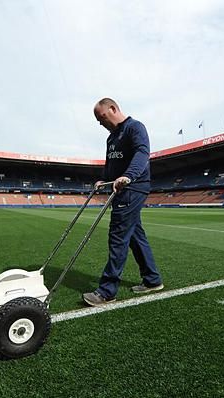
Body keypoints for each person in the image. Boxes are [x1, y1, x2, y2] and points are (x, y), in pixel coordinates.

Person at [82, 98, 163, 307]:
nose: (101, 123)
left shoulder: (135, 128)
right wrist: (104, 179)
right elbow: (111, 164)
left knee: (117, 235)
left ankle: (107, 291)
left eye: (102, 117)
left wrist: (128, 176)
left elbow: (142, 153)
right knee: (135, 235)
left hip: (133, 187)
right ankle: (152, 280)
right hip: (120, 188)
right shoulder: (111, 138)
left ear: (113, 108)